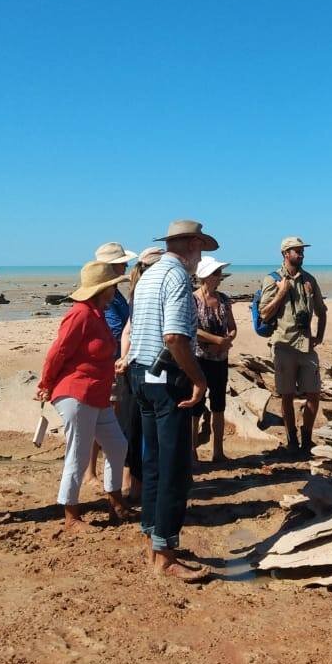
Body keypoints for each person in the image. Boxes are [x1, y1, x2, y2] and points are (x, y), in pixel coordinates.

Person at [128, 220, 213, 583]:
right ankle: (164, 552)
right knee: (175, 467)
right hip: (166, 379)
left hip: (140, 373)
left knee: (153, 462)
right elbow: (175, 337)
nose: (201, 257)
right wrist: (199, 379)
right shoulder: (177, 276)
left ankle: (152, 535)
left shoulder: (148, 274)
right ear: (192, 245)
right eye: (201, 249)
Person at [35, 260, 132, 531]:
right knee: (77, 454)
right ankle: (71, 515)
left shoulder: (98, 313)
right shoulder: (80, 313)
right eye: (112, 286)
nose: (115, 291)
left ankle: (114, 499)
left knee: (117, 446)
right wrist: (45, 383)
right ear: (103, 290)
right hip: (76, 393)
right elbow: (59, 351)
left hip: (97, 394)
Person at [257, 236, 327, 456]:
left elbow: (321, 310)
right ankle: (291, 439)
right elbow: (264, 312)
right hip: (283, 345)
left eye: (302, 251)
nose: (301, 254)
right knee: (286, 395)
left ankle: (307, 438)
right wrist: (281, 292)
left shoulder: (309, 280)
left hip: (306, 346)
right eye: (296, 251)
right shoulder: (273, 279)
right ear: (285, 254)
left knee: (314, 393)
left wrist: (319, 336)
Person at [85, 241, 139, 489]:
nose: (125, 267)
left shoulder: (115, 294)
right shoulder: (104, 295)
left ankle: (100, 470)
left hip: (115, 360)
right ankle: (90, 472)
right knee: (103, 416)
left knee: (109, 417)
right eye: (121, 264)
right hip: (110, 362)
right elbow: (111, 329)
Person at [117, 246, 162, 501]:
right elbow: (129, 332)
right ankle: (136, 484)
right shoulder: (147, 293)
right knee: (141, 428)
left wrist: (125, 358)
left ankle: (133, 483)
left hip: (133, 366)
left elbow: (127, 331)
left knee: (134, 426)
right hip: (145, 367)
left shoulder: (136, 292)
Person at [192, 256, 236, 463]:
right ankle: (192, 450)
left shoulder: (224, 299)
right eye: (216, 273)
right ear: (206, 276)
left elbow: (232, 326)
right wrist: (217, 340)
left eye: (219, 272)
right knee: (195, 406)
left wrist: (227, 340)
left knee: (219, 406)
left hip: (220, 359)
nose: (219, 277)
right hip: (199, 359)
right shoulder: (192, 299)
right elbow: (191, 329)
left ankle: (218, 450)